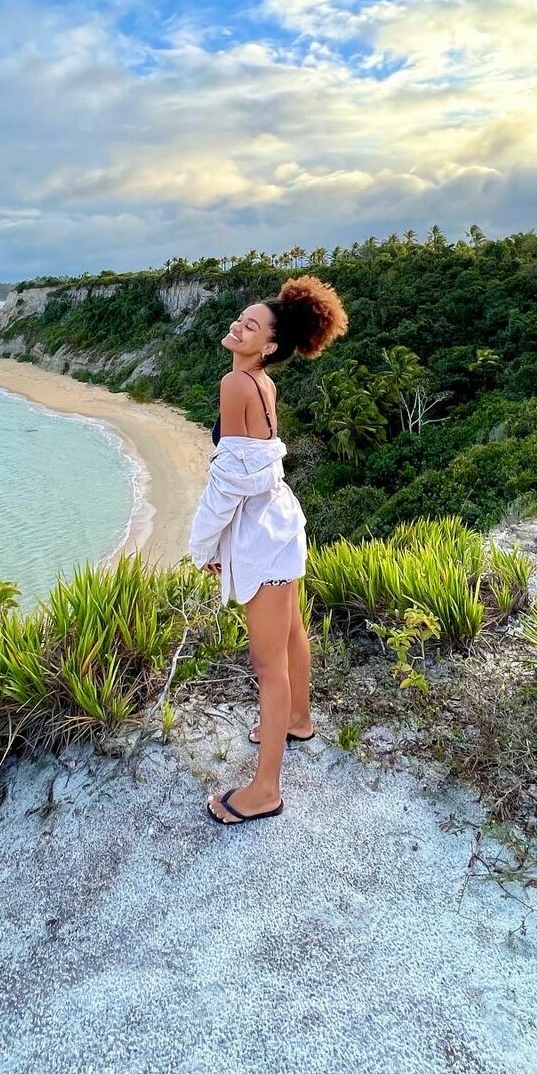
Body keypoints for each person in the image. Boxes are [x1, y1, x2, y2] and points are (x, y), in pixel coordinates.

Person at [187, 274, 349, 825]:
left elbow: (230, 481)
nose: (238, 326)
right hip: (280, 523)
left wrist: (203, 543)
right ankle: (299, 719)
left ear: (270, 345)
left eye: (251, 326)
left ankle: (266, 791)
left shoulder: (236, 385)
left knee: (267, 664)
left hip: (264, 536)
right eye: (242, 318)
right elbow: (253, 467)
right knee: (293, 631)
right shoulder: (260, 382)